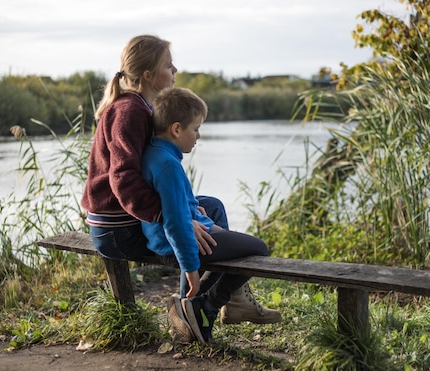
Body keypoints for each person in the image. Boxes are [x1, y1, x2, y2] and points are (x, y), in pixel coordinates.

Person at [80, 35, 280, 329]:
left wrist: (186, 213)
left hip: (123, 221)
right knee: (223, 232)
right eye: (169, 66)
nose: (175, 71)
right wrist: (173, 218)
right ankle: (200, 304)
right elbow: (122, 180)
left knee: (211, 207)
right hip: (119, 230)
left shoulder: (138, 107)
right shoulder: (130, 111)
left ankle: (226, 300)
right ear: (148, 75)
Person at [142, 87, 270, 344]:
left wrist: (193, 208)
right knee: (259, 249)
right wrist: (191, 271)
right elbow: (177, 224)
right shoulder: (168, 165)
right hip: (169, 245)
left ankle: (196, 312)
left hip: (159, 239)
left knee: (214, 207)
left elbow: (176, 203)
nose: (198, 136)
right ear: (176, 129)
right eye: (196, 129)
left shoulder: (157, 154)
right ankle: (205, 307)